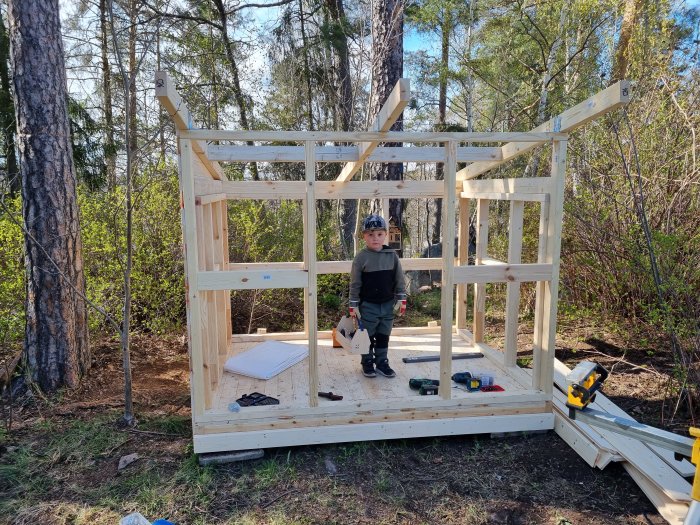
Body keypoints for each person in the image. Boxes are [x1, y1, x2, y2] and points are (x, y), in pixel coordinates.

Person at [349, 214, 407, 378]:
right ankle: (367, 362)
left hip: (388, 305)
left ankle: (382, 362)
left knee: (384, 335)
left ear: (385, 235)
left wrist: (401, 298)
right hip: (368, 306)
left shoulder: (392, 255)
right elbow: (355, 283)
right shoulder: (361, 258)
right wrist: (353, 304)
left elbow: (399, 279)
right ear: (364, 236)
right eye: (370, 234)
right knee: (366, 335)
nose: (375, 238)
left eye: (379, 234)